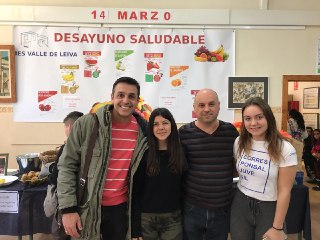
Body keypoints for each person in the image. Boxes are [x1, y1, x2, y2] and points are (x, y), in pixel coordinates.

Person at [57, 77, 148, 240]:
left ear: (137, 101)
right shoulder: (87, 124)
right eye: (120, 95)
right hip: (86, 208)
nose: (125, 100)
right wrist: (68, 209)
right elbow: (66, 166)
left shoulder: (143, 132)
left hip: (121, 212)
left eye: (131, 96)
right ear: (112, 97)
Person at [230, 97, 297, 240]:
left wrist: (277, 227)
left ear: (268, 117)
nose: (253, 123)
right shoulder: (239, 142)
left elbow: (285, 191)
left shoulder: (284, 148)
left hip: (269, 208)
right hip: (240, 205)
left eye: (259, 117)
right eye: (248, 118)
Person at [178, 89, 239, 240]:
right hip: (192, 208)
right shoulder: (184, 133)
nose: (206, 109)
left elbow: (236, 165)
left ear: (219, 105)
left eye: (211, 104)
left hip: (222, 210)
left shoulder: (231, 132)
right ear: (194, 108)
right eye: (201, 105)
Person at [131, 108, 187, 240]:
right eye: (156, 124)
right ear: (150, 128)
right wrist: (135, 229)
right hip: (146, 219)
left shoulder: (181, 152)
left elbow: (185, 187)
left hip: (173, 218)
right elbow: (136, 192)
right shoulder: (144, 153)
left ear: (172, 125)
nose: (161, 127)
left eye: (165, 123)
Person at [46, 111, 84, 240]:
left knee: (63, 233)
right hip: (83, 201)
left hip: (67, 202)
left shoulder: (67, 148)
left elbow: (56, 177)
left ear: (70, 127)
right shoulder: (89, 145)